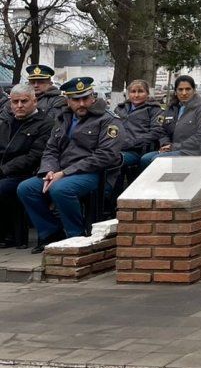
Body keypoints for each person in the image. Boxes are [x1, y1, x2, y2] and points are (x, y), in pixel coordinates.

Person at [16, 77, 123, 252]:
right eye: (76, 99)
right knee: (26, 188)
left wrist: (65, 173)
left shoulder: (108, 120)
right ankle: (52, 233)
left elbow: (106, 155)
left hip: (92, 173)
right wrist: (49, 171)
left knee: (61, 189)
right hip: (60, 172)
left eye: (85, 98)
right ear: (68, 100)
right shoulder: (63, 118)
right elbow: (51, 149)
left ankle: (76, 236)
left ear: (92, 97)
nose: (81, 104)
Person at [0, 84, 55, 247]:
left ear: (34, 101)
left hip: (28, 173)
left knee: (2, 188)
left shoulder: (46, 123)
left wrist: (3, 170)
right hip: (5, 171)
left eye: (24, 101)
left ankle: (9, 234)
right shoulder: (6, 121)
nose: (19, 106)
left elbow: (34, 156)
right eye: (15, 102)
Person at [140, 75, 201, 168]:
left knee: (157, 160)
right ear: (176, 92)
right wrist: (166, 144)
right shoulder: (172, 108)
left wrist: (175, 147)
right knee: (145, 159)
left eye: (188, 89)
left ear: (194, 90)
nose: (184, 93)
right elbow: (162, 131)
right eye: (180, 89)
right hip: (172, 149)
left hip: (193, 152)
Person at [113, 80, 165, 170]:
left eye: (140, 91)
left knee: (112, 160)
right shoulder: (120, 109)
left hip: (139, 151)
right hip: (117, 148)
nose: (136, 95)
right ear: (128, 94)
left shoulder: (154, 109)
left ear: (147, 93)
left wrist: (130, 143)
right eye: (133, 92)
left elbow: (156, 132)